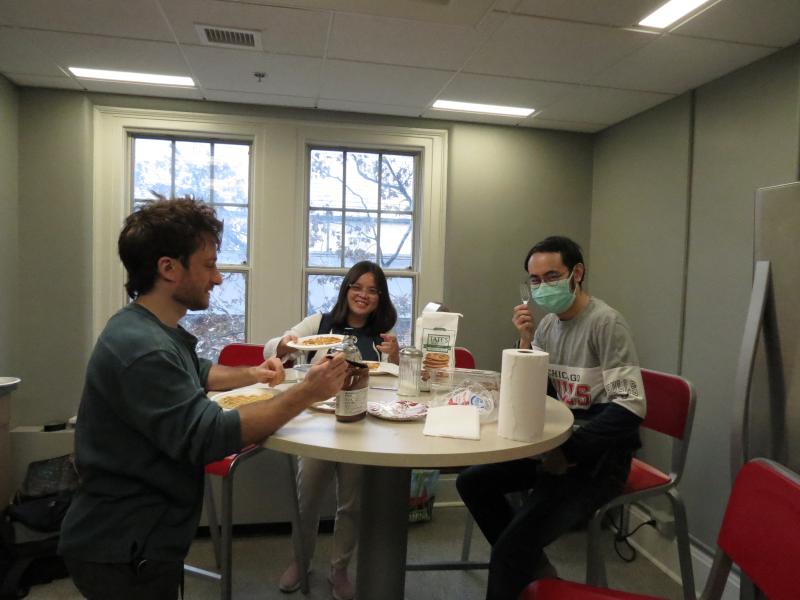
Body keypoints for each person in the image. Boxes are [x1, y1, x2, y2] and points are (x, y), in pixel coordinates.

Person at [58, 198, 348, 600]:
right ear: (168, 268)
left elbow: (197, 370)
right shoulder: (144, 349)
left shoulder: (149, 328)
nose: (218, 278)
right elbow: (210, 434)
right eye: (209, 265)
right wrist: (306, 392)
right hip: (124, 547)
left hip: (141, 534)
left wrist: (254, 372)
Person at [457, 235, 646, 600]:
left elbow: (630, 408)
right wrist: (525, 342)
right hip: (556, 448)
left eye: (552, 276)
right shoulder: (547, 326)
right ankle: (536, 569)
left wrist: (569, 453)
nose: (543, 287)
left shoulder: (606, 324)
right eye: (535, 280)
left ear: (577, 273)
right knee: (472, 482)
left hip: (598, 460)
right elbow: (538, 395)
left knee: (510, 549)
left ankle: (521, 559)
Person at [264, 260, 400, 600]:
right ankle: (302, 559)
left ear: (380, 298)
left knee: (351, 504)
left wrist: (395, 359)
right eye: (357, 287)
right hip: (316, 425)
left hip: (359, 427)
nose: (363, 295)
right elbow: (273, 349)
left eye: (372, 290)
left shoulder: (381, 338)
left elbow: (395, 386)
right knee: (306, 499)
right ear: (347, 290)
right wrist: (285, 344)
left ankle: (339, 569)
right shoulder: (320, 323)